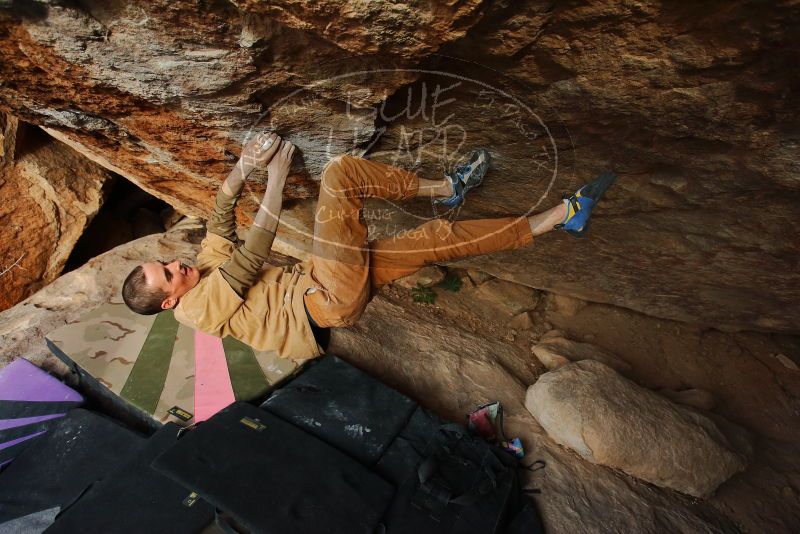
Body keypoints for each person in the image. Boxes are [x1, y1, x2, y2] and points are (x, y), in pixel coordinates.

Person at [121, 132, 615, 359]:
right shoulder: (196, 310)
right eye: (167, 273)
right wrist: (275, 175)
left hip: (325, 289)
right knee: (340, 174)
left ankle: (560, 219)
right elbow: (252, 253)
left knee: (433, 242)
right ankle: (446, 188)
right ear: (169, 301)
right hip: (323, 299)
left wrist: (243, 167)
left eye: (164, 260)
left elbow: (221, 220)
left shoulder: (199, 273)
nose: (173, 262)